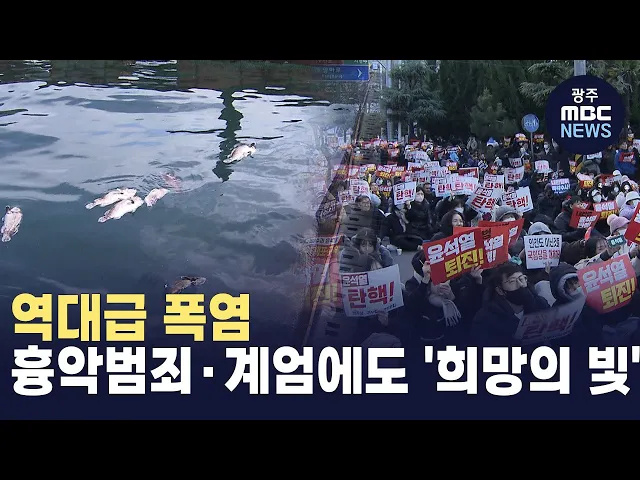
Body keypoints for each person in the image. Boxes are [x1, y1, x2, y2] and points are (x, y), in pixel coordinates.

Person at [470, 262, 550, 346]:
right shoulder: (485, 319)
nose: (520, 285)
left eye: (522, 279)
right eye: (512, 281)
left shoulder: (541, 304)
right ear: (500, 290)